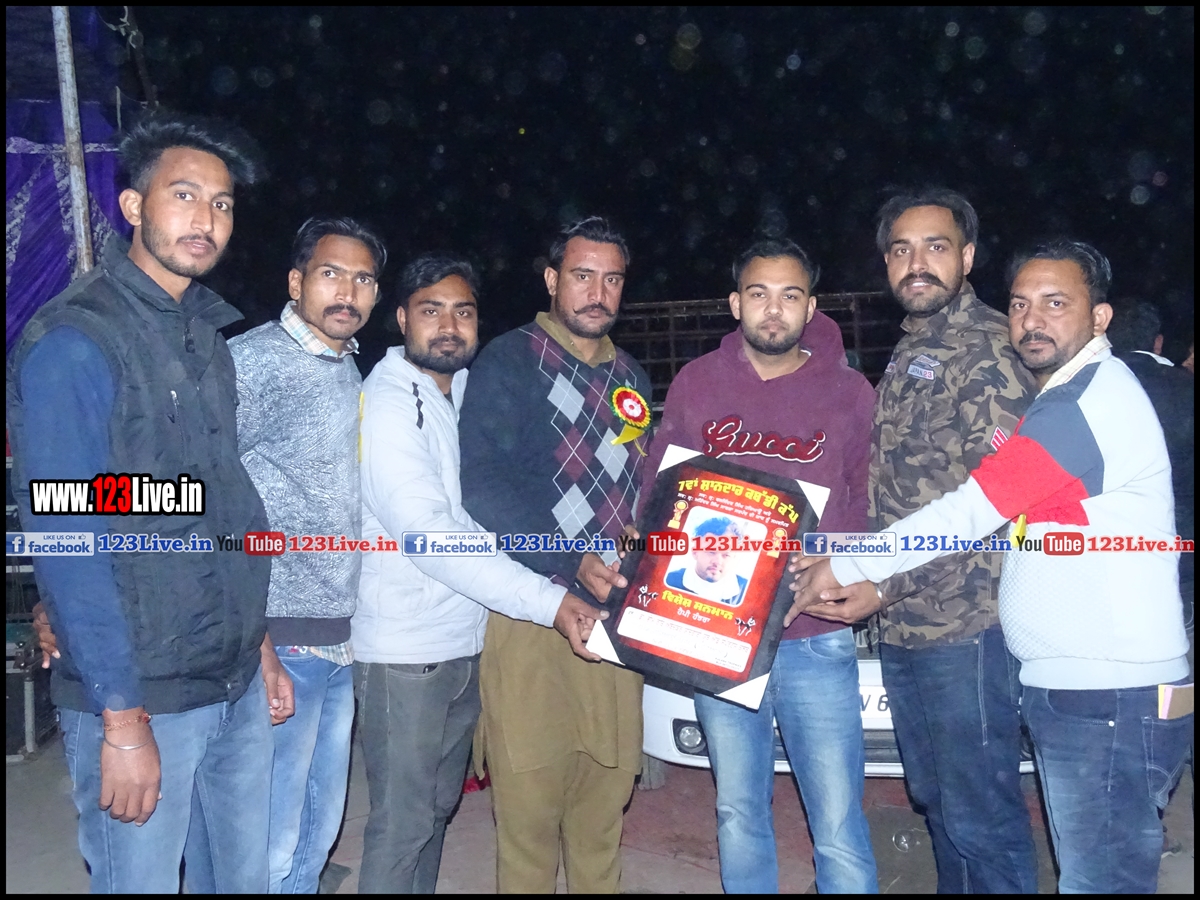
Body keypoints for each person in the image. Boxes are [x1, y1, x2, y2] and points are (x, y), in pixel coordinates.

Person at [794, 239, 1193, 893]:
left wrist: (844, 564)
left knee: (1099, 881)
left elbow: (968, 512)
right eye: (1020, 304)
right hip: (1088, 695)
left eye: (1055, 303)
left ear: (1100, 318)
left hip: (1110, 701)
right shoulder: (1067, 397)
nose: (1032, 320)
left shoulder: (1084, 406)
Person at [6, 113, 281, 893]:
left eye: (221, 204)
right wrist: (121, 719)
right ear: (133, 206)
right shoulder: (76, 343)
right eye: (184, 195)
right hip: (143, 696)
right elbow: (68, 535)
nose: (206, 219)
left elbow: (220, 507)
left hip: (230, 678)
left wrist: (258, 645)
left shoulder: (205, 338)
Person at [783, 189, 1038, 893]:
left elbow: (994, 507)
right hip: (908, 626)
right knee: (940, 803)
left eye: (935, 246)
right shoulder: (915, 347)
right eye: (901, 249)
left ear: (968, 257)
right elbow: (895, 491)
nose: (915, 263)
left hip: (967, 628)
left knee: (980, 815)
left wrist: (880, 583)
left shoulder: (988, 350)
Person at [352, 253, 603, 894]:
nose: (448, 326)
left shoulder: (462, 393)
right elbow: (430, 536)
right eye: (431, 310)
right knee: (402, 825)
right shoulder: (388, 405)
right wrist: (549, 600)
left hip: (463, 640)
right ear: (401, 317)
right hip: (405, 655)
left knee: (437, 812)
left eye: (462, 312)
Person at [645, 238, 879, 893]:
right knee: (737, 810)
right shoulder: (697, 383)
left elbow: (868, 499)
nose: (773, 310)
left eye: (789, 295)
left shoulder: (850, 393)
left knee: (837, 819)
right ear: (734, 303)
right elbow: (661, 490)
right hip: (718, 636)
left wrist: (841, 561)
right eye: (758, 294)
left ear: (811, 307)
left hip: (815, 634)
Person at [457, 217, 646, 893]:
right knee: (530, 825)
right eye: (582, 275)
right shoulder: (510, 360)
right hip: (533, 616)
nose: (598, 292)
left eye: (612, 279)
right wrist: (567, 560)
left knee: (601, 819)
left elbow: (638, 491)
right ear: (551, 279)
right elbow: (483, 485)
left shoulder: (632, 378)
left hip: (615, 625)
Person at [228, 216, 386, 892]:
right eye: (331, 274)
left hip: (335, 637)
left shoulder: (346, 368)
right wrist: (255, 634)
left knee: (318, 827)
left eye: (363, 279)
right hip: (281, 636)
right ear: (296, 282)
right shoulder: (254, 362)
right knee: (268, 836)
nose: (347, 292)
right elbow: (208, 491)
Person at [665, 516, 750, 606]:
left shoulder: (747, 591)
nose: (717, 561)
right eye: (711, 552)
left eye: (726, 555)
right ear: (695, 552)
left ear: (734, 558)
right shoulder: (669, 581)